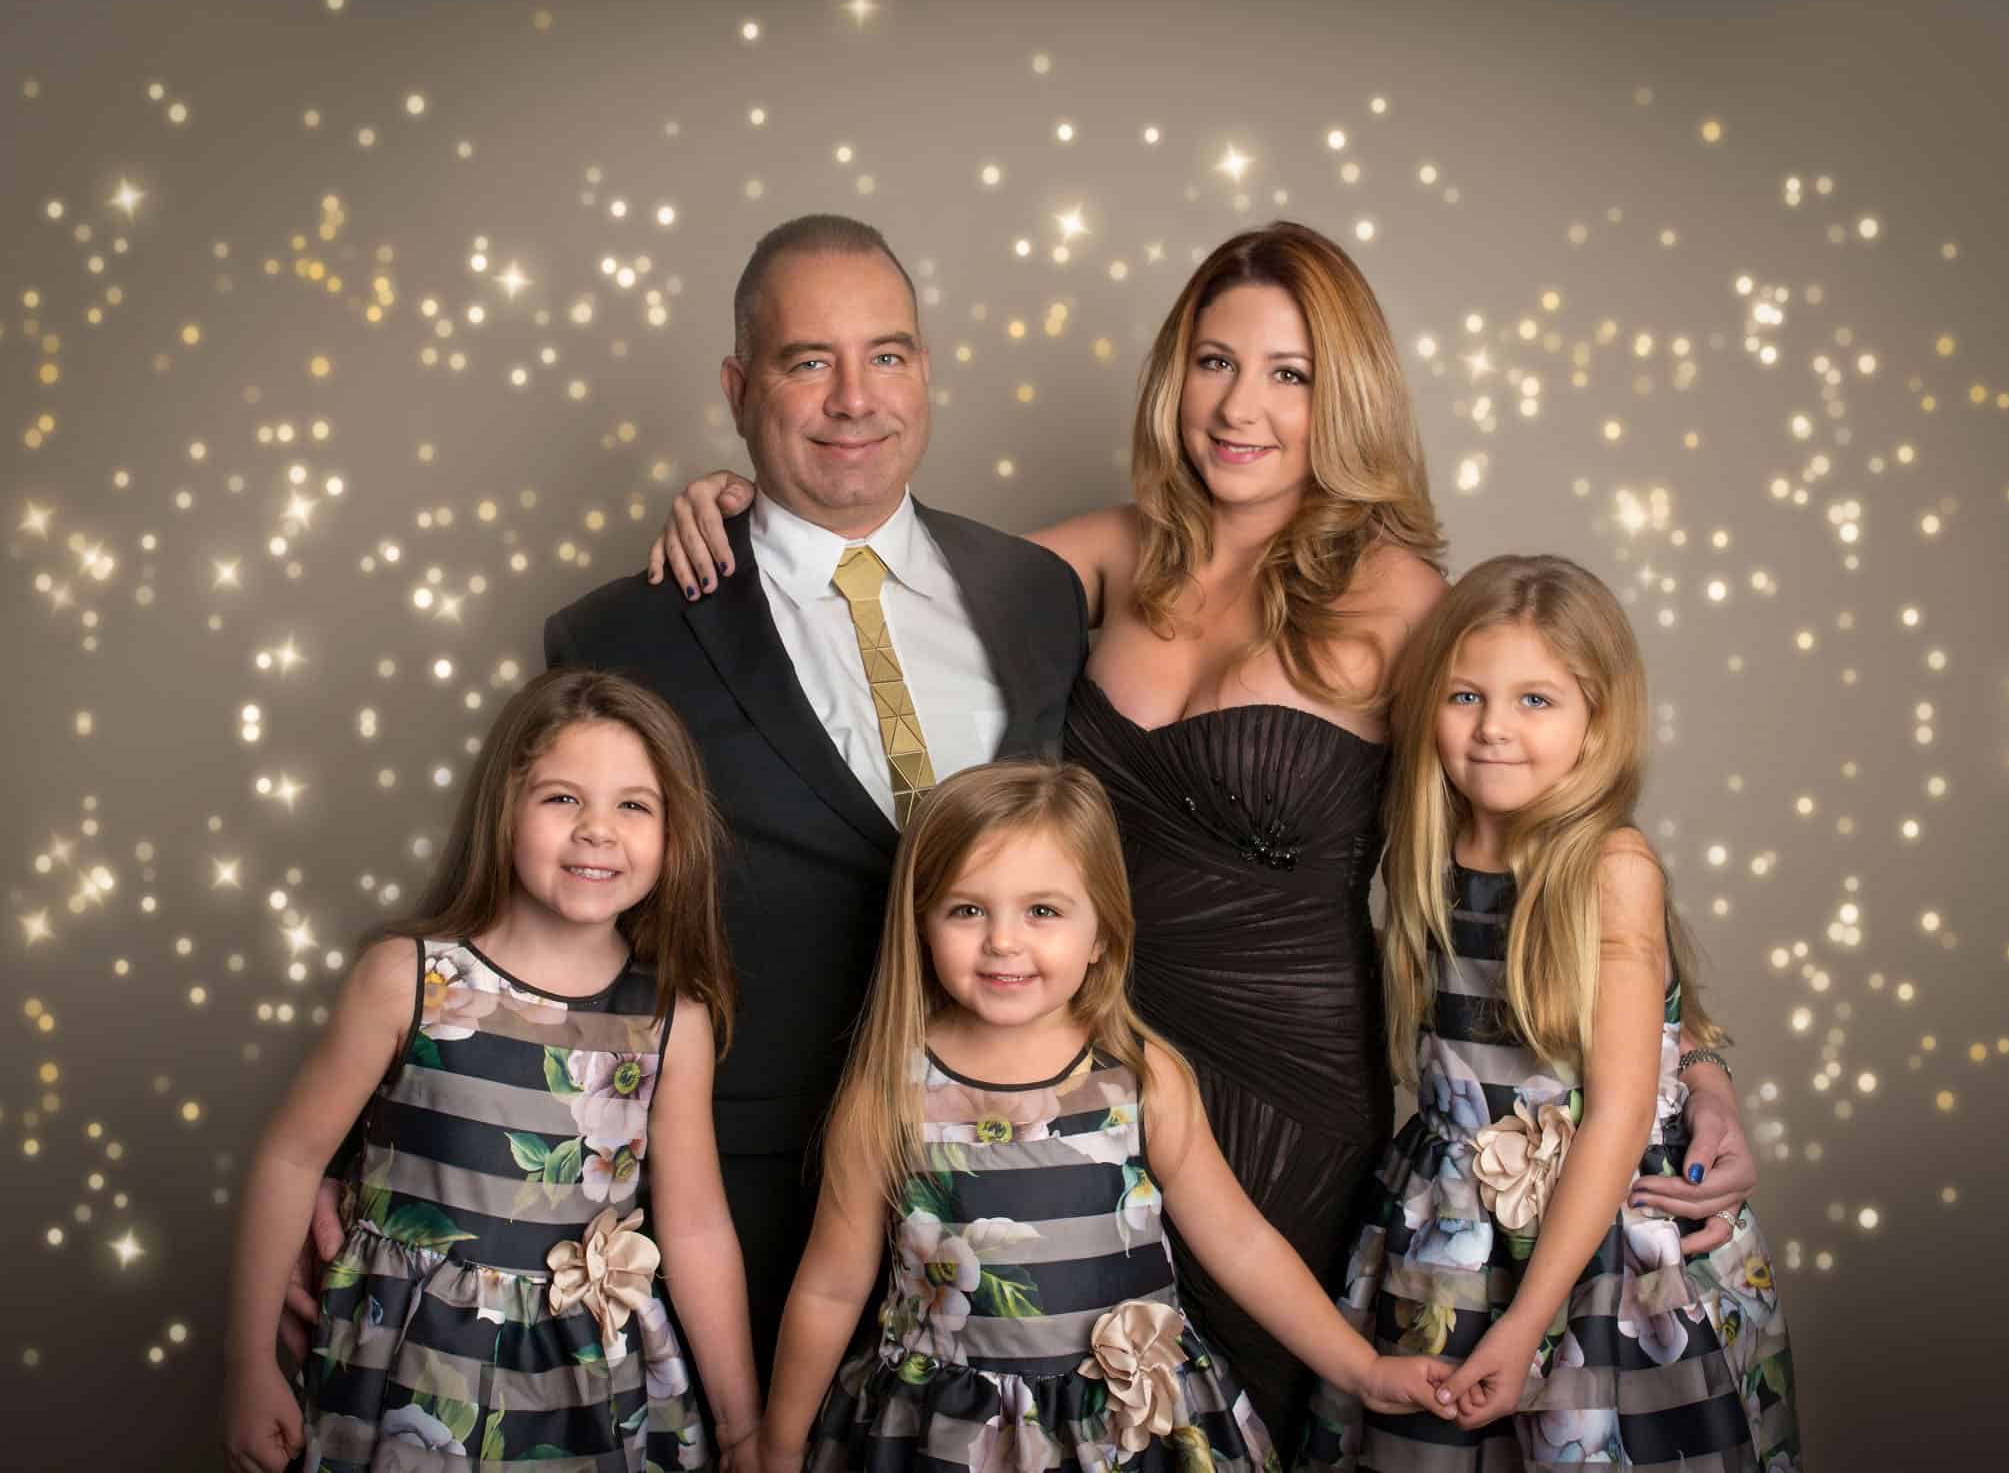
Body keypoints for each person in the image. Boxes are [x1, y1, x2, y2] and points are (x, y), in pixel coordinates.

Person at [647, 221, 1754, 1434]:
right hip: (1077, 1053)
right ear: (1176, 375)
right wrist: (754, 504)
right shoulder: (1106, 556)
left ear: (1344, 400)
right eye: (1216, 362)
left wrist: (1695, 1070)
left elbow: (1548, 849)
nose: (1243, 406)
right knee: (1076, 1400)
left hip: (1289, 1081)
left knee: (1253, 1422)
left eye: (1291, 374)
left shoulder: (1399, 600)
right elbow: (873, 563)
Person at [283, 214, 1090, 1377]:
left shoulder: (1039, 592)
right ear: (738, 386)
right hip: (745, 1182)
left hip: (1011, 1179)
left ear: (926, 370)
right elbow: (539, 898)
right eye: (808, 362)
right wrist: (355, 1143)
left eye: (889, 354)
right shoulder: (626, 632)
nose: (855, 398)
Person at [762, 760, 1456, 1473]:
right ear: (922, 924)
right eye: (967, 909)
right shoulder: (887, 1095)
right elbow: (831, 1284)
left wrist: (1362, 1368)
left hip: (1130, 1432)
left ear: (1100, 931)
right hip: (945, 1438)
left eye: (1043, 910)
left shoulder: (1140, 1077)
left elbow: (1241, 1245)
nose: (1003, 940)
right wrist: (780, 1444)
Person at [1304, 556, 1799, 1470]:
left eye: (1537, 700)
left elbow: (1614, 1108)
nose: (1494, 728)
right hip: (1445, 1229)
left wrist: (1527, 1326)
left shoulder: (1611, 865)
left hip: (1591, 1246)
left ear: (1596, 719)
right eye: (1465, 696)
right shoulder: (1420, 842)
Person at [225, 670, 761, 1472]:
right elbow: (291, 1158)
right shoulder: (406, 977)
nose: (597, 831)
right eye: (562, 799)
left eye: (634, 805)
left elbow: (696, 1229)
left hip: (587, 1383)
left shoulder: (670, 1020)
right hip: (402, 1369)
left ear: (673, 834)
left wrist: (743, 1425)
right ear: (503, 809)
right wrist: (246, 1365)